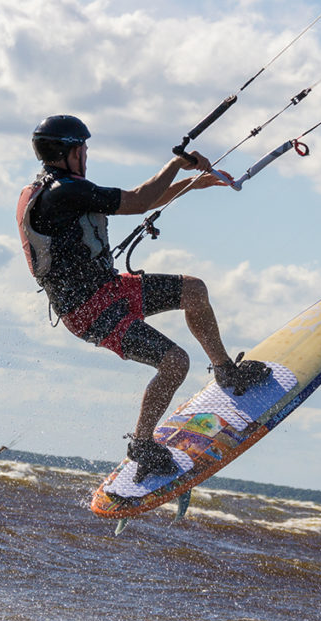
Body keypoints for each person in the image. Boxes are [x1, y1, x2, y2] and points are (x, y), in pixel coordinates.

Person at [17, 114, 270, 483]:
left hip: (111, 289)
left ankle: (226, 371)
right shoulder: (61, 194)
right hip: (89, 312)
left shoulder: (66, 188)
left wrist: (191, 184)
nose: (87, 155)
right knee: (174, 362)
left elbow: (143, 200)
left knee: (194, 290)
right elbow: (139, 201)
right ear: (67, 151)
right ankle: (141, 445)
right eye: (83, 148)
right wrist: (177, 164)